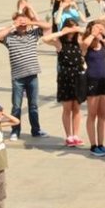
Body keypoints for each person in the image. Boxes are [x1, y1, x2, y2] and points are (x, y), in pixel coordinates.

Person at [0, 10, 51, 141]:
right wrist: (13, 26)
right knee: (16, 106)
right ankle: (15, 131)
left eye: (24, 21)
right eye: (20, 21)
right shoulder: (10, 37)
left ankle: (36, 130)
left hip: (32, 75)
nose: (22, 23)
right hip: (18, 77)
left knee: (33, 105)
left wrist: (30, 22)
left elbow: (47, 26)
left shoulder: (33, 34)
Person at [42, 19, 85, 147]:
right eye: (69, 28)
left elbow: (88, 34)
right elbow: (45, 39)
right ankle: (69, 136)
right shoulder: (59, 43)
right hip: (65, 77)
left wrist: (76, 29)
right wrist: (61, 32)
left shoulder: (79, 41)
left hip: (78, 76)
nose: (71, 32)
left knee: (77, 108)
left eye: (74, 28)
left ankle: (76, 134)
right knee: (67, 108)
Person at [80, 20, 105, 156]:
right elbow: (84, 45)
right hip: (92, 80)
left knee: (102, 114)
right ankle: (93, 145)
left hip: (104, 80)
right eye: (95, 27)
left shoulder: (102, 43)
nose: (98, 30)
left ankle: (101, 144)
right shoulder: (87, 44)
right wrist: (93, 34)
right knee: (92, 114)